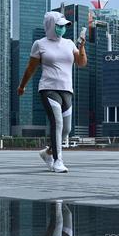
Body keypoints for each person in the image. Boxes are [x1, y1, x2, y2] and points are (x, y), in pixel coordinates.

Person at [18, 11, 87, 172]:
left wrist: (82, 46)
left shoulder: (69, 43)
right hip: (48, 88)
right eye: (59, 26)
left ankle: (47, 153)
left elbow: (81, 63)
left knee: (67, 129)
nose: (62, 29)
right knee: (57, 123)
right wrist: (22, 86)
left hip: (67, 90)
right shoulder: (40, 44)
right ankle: (58, 161)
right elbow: (30, 68)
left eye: (64, 26)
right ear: (50, 25)